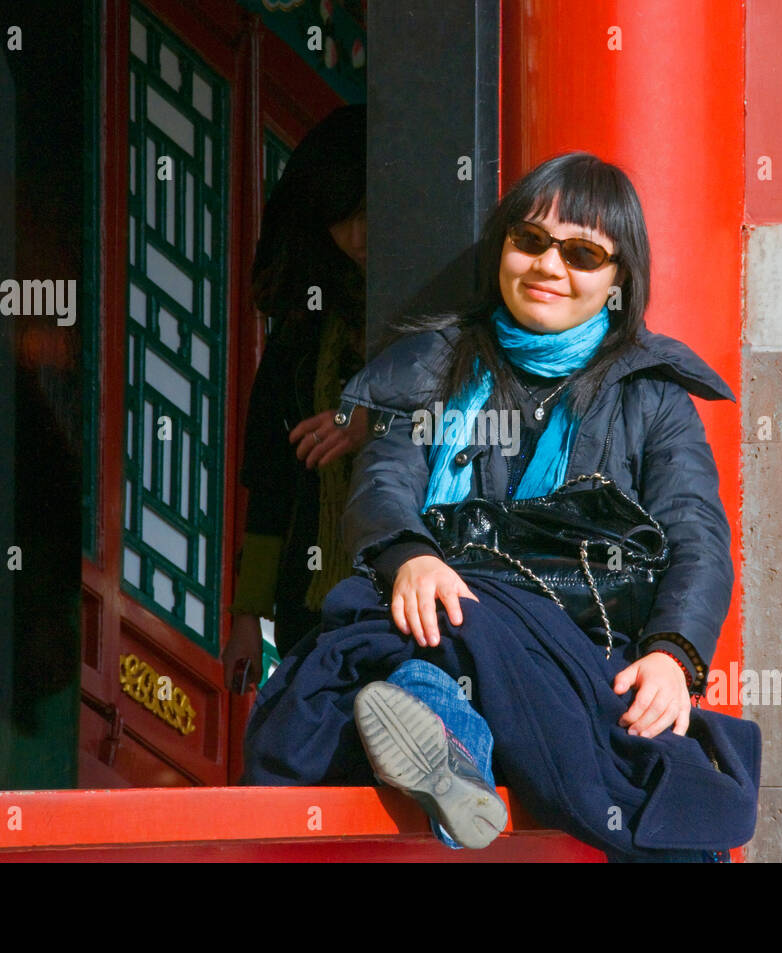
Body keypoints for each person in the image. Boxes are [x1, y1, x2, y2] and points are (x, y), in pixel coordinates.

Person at [241, 152, 752, 861]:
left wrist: (673, 655)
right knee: (373, 639)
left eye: (580, 253)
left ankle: (446, 735)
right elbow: (386, 476)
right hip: (440, 609)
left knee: (455, 643)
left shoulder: (653, 397)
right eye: (530, 241)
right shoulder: (434, 366)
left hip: (581, 644)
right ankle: (442, 736)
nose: (548, 266)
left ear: (617, 281)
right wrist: (408, 554)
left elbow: (696, 536)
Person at [223, 104, 370, 692]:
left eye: (367, 215)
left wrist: (374, 424)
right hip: (311, 602)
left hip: (419, 586)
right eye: (340, 219)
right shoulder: (302, 334)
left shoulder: (435, 320)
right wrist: (244, 621)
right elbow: (271, 480)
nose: (356, 238)